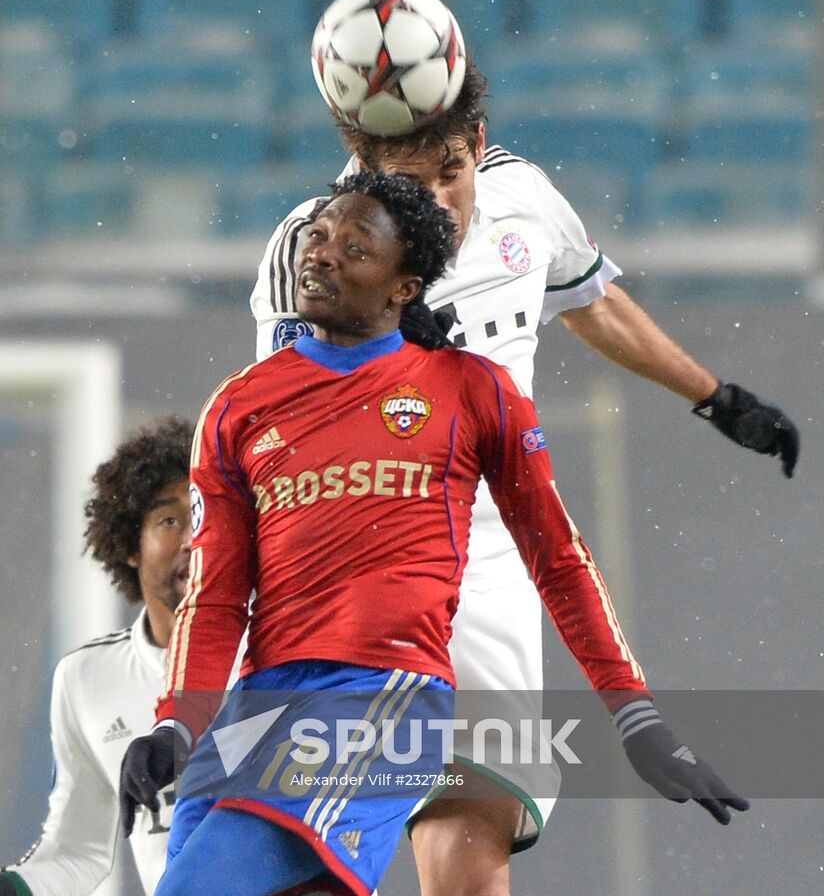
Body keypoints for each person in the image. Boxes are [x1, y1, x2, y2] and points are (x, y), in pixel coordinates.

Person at [250, 0, 799, 896]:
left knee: (470, 852)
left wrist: (717, 397)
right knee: (304, 865)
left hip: (491, 576)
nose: (440, 200)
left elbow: (591, 299)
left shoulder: (523, 199)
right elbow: (282, 428)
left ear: (481, 141)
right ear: (360, 166)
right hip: (352, 575)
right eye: (408, 182)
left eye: (451, 172)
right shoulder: (312, 253)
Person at [120, 173, 747, 896]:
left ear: (404, 287)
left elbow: (558, 561)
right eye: (317, 237)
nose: (321, 255)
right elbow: (217, 595)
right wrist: (179, 722)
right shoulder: (238, 406)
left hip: (380, 699)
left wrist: (635, 716)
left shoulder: (471, 390)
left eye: (355, 249)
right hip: (258, 705)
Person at [0, 417, 194, 896]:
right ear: (130, 544)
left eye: (206, 515)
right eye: (171, 520)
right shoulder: (89, 678)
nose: (194, 539)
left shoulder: (290, 653)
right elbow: (77, 852)